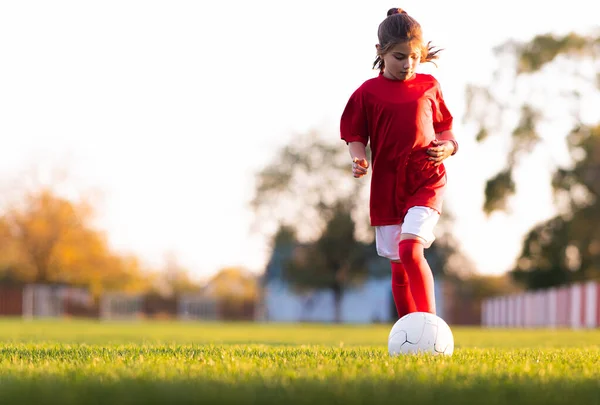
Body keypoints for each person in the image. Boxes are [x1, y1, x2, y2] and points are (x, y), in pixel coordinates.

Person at [340, 7, 458, 317]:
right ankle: (409, 332)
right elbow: (356, 135)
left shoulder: (429, 86)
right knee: (398, 268)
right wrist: (358, 158)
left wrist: (449, 146)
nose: (408, 64)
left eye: (415, 57)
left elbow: (445, 127)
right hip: (387, 186)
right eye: (400, 57)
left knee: (410, 248)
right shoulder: (367, 93)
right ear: (380, 51)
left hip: (426, 179)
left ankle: (430, 326)